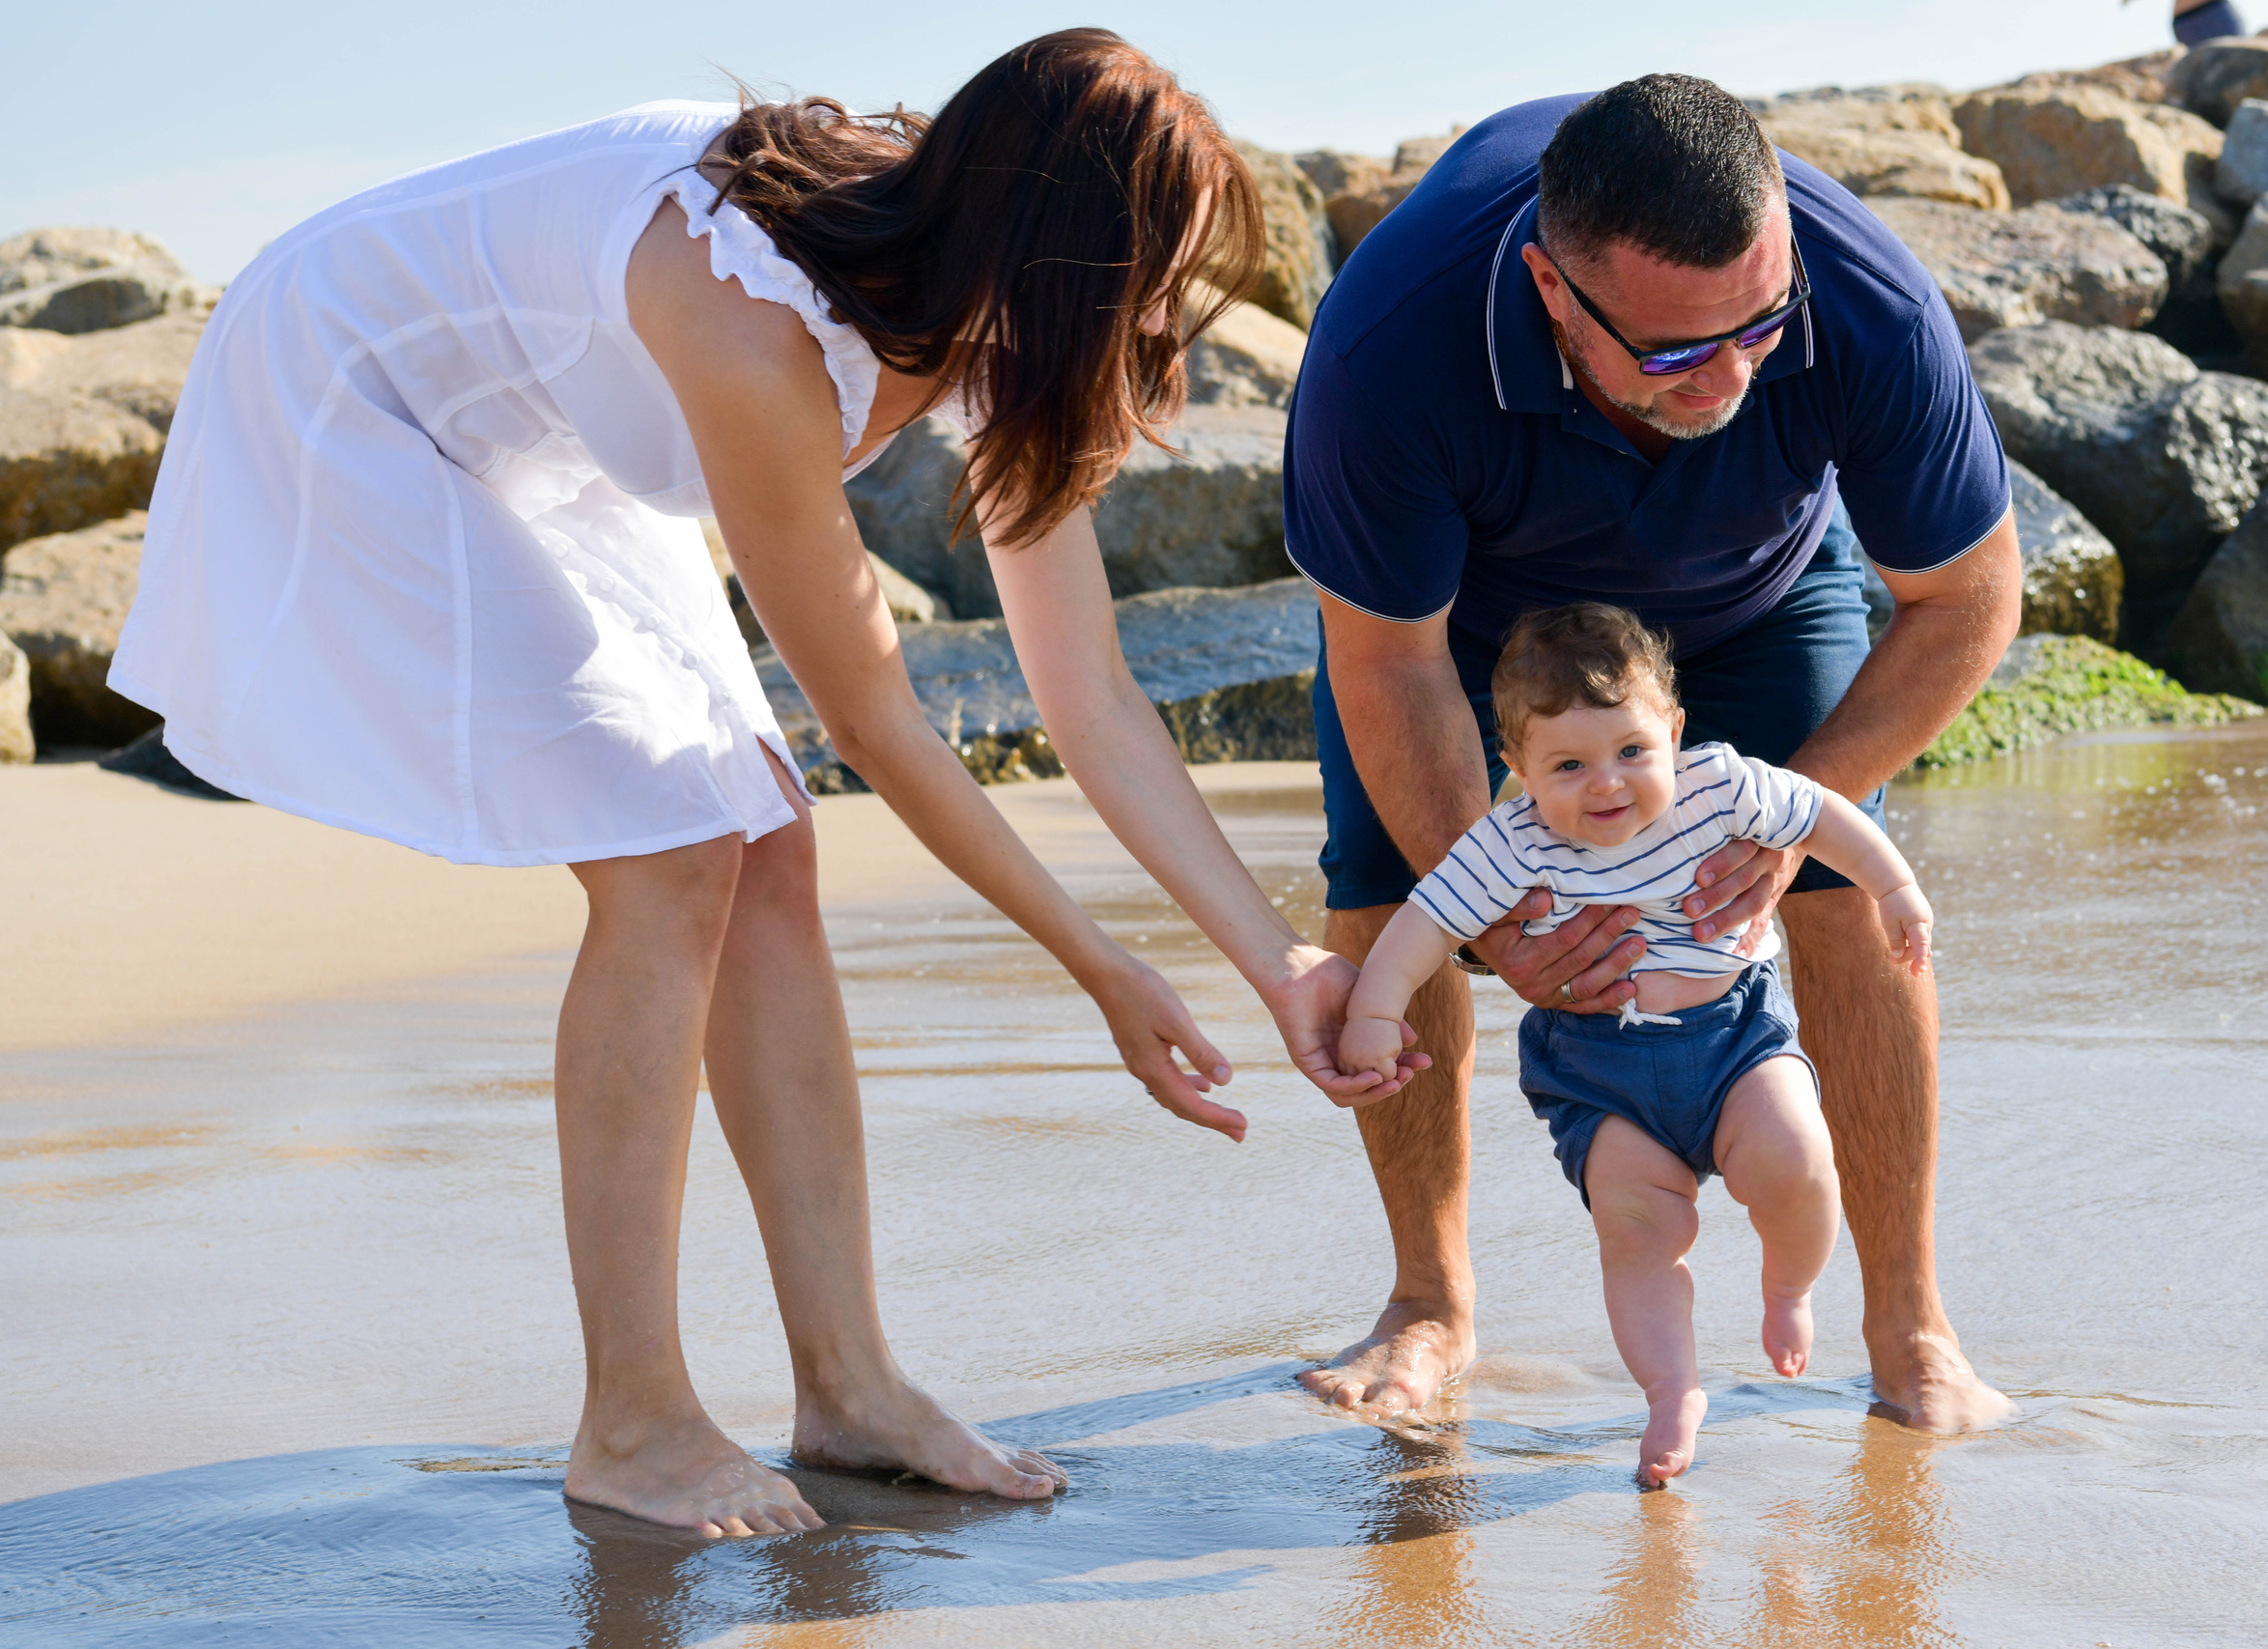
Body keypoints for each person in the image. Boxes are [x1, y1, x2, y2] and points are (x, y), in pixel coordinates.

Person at [109, 29, 1416, 1539]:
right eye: (1151, 278)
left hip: (560, 428)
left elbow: (1093, 692)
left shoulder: (992, 318)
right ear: (1056, 254)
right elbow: (880, 720)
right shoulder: (754, 324)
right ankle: (634, 1420)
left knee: (765, 838)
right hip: (354, 389)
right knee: (673, 849)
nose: (1164, 325)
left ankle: (849, 1384)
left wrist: (1274, 959)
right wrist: (1101, 965)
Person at [1283, 74, 2019, 1432]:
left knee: (1832, 879)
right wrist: (1501, 908)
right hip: (1465, 635)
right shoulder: (1393, 344)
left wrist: (1798, 815)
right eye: (1680, 354)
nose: (1735, 379)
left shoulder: (1866, 301)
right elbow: (1387, 658)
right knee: (1398, 896)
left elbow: (1971, 599)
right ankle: (1429, 1300)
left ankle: (1910, 1321)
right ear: (1556, 293)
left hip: (1754, 590)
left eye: (1762, 325)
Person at [1337, 604, 1935, 1485]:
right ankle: (1671, 1390)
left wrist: (1895, 886)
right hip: (1600, 1073)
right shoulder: (1510, 842)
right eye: (1568, 765)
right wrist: (1375, 1012)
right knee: (1635, 1228)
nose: (1606, 784)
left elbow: (1821, 815)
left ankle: (1788, 1286)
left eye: (1630, 751)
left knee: (1801, 1162)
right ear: (1518, 769)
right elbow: (1426, 920)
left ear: (1675, 730)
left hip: (1736, 1040)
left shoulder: (1720, 786)